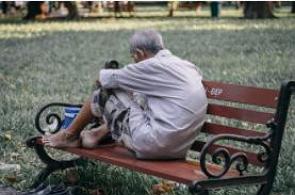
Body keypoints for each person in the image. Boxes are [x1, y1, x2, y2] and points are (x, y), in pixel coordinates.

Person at [43, 29, 208, 160]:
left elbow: (101, 80)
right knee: (138, 97)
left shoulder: (149, 65)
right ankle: (96, 134)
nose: (133, 61)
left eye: (133, 58)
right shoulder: (187, 66)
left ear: (139, 53)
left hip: (152, 145)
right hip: (178, 149)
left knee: (103, 93)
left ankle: (69, 135)